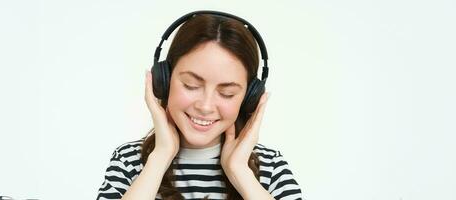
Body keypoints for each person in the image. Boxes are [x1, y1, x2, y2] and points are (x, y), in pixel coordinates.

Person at [96, 10, 302, 200]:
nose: (205, 106)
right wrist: (160, 158)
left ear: (250, 97)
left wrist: (240, 172)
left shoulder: (270, 166)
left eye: (226, 93)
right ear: (164, 81)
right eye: (191, 85)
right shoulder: (129, 161)